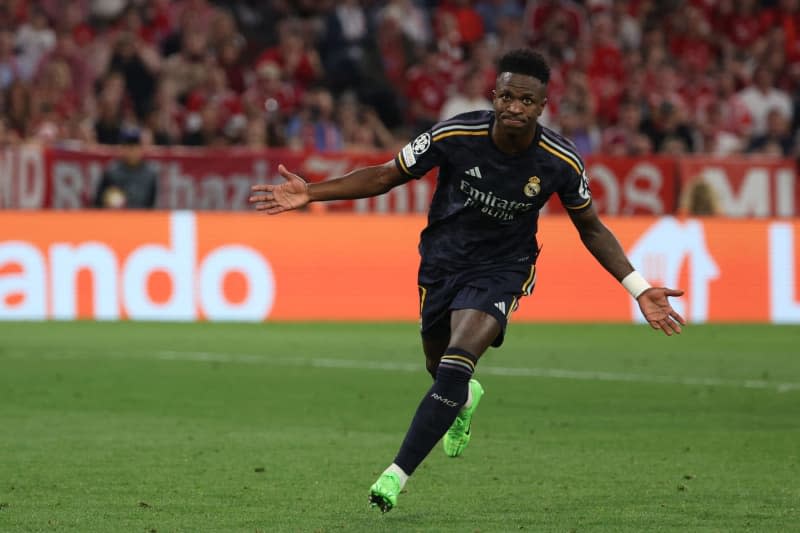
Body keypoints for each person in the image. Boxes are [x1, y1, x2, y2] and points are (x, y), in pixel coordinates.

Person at [249, 49, 686, 513]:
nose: (515, 107)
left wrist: (639, 287)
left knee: (457, 362)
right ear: (494, 97)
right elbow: (384, 175)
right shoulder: (455, 134)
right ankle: (462, 399)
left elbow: (592, 228)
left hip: (503, 269)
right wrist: (311, 192)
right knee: (440, 368)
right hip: (442, 263)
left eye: (526, 100)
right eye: (507, 96)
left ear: (542, 106)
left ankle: (395, 475)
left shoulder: (560, 161)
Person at [94, 128, 158, 209]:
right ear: (122, 148)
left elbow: (152, 206)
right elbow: (98, 203)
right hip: (117, 219)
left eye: (135, 145)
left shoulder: (150, 173)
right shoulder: (111, 172)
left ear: (141, 148)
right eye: (128, 145)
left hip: (141, 219)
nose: (132, 150)